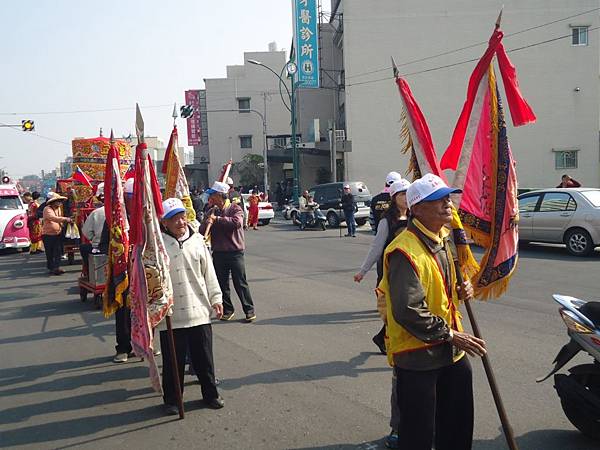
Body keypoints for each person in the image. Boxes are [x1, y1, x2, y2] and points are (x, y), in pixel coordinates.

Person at [379, 173, 486, 450]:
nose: (447, 204)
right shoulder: (403, 250)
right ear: (417, 209)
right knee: (419, 435)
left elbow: (442, 288)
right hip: (418, 356)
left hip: (450, 350)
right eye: (438, 200)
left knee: (458, 425)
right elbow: (408, 310)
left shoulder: (443, 239)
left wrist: (462, 289)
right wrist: (451, 334)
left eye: (448, 198)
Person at [354, 178, 410, 449]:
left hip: (417, 285)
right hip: (391, 277)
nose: (406, 197)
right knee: (402, 367)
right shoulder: (388, 221)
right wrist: (363, 270)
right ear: (394, 195)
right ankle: (398, 428)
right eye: (402, 193)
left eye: (409, 193)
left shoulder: (419, 218)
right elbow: (377, 247)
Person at [159, 197, 225, 414]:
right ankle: (172, 400)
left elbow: (210, 274)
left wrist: (216, 299)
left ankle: (211, 395)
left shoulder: (197, 241)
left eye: (181, 216)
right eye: (173, 219)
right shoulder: (157, 245)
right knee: (172, 362)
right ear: (164, 223)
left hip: (199, 310)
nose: (179, 222)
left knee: (204, 358)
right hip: (171, 313)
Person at [199, 181, 256, 322]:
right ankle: (228, 310)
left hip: (235, 252)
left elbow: (236, 223)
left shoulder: (235, 208)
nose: (210, 197)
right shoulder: (211, 211)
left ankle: (249, 310)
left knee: (240, 282)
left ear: (220, 195)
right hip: (219, 252)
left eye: (212, 195)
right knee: (221, 283)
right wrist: (207, 221)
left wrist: (217, 219)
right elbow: (202, 231)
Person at [42, 193, 73, 275]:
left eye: (60, 201)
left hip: (58, 233)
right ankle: (51, 268)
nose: (60, 203)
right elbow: (52, 218)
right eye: (58, 201)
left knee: (58, 251)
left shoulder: (58, 208)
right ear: (53, 202)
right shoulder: (47, 209)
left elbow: (59, 218)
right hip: (48, 234)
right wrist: (65, 219)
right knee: (50, 252)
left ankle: (56, 268)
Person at [80, 183, 106, 278]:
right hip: (121, 247)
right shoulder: (123, 211)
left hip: (100, 247)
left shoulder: (96, 212)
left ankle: (88, 273)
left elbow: (86, 231)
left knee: (83, 247)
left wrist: (94, 239)